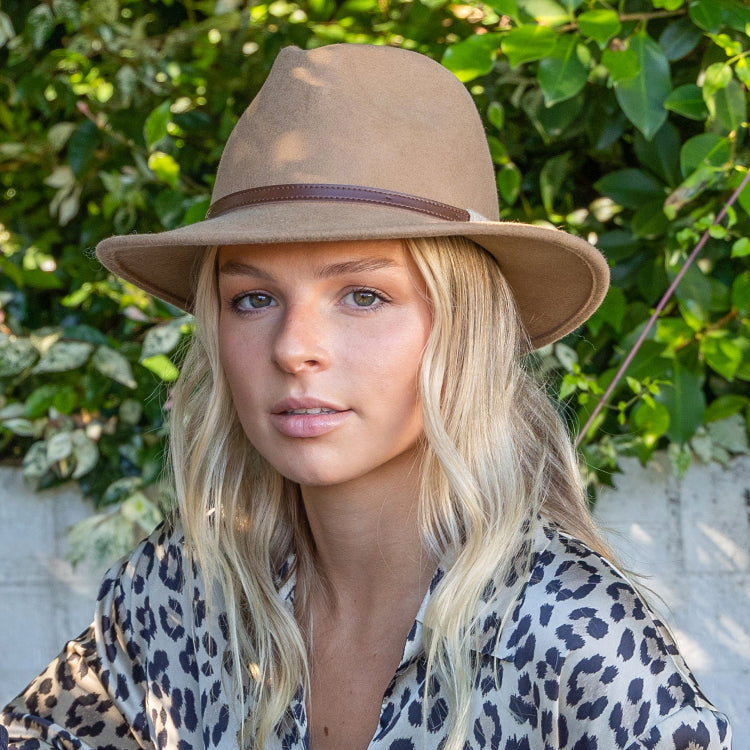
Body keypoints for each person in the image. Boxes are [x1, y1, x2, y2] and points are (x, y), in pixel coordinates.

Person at [1, 43, 731, 750]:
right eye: (253, 298)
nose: (294, 348)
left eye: (363, 295)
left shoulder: (573, 635)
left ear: (466, 326)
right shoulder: (191, 588)